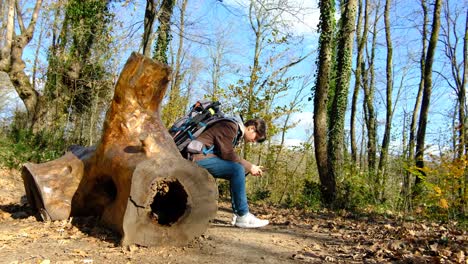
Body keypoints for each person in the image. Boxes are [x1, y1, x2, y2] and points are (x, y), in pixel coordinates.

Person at [191, 117, 269, 228]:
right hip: (198, 158)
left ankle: (238, 214)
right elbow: (227, 154)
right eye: (256, 137)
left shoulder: (235, 132)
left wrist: (248, 167)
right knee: (237, 169)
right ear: (251, 128)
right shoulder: (230, 126)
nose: (254, 141)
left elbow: (227, 155)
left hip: (204, 157)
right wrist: (249, 166)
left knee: (240, 170)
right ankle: (243, 215)